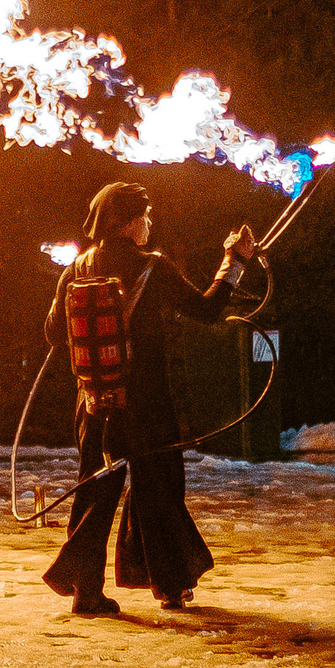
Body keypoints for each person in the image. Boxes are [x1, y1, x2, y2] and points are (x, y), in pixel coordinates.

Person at [41, 180, 257, 617]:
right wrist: (234, 263)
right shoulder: (151, 267)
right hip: (147, 405)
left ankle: (86, 592)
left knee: (94, 493)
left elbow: (52, 334)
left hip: (94, 402)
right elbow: (207, 310)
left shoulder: (76, 268)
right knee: (159, 491)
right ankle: (171, 587)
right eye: (146, 216)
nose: (149, 224)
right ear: (128, 222)